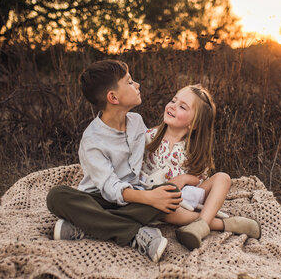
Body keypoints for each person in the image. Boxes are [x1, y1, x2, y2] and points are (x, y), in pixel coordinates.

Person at [46, 60, 183, 263]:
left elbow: (154, 146)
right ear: (113, 97)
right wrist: (149, 198)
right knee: (56, 196)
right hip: (96, 199)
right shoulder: (92, 140)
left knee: (170, 194)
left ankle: (87, 225)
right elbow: (110, 188)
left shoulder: (136, 122)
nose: (137, 85)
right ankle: (134, 233)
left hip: (132, 197)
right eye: (129, 82)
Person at [142, 84, 261, 251]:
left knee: (223, 178)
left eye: (182, 106)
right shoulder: (149, 137)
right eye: (173, 100)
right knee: (164, 209)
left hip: (188, 197)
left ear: (194, 124)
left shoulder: (193, 148)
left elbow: (198, 178)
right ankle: (220, 224)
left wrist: (183, 179)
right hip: (160, 200)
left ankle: (200, 226)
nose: (172, 106)